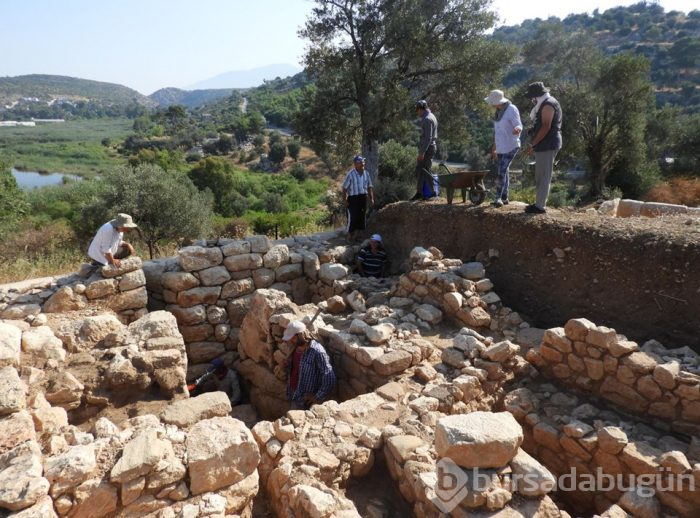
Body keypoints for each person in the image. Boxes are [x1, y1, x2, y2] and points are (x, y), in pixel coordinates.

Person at [524, 82, 562, 214]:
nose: (531, 99)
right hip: (545, 143)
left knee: (544, 175)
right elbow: (542, 125)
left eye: (532, 97)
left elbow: (546, 126)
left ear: (536, 96)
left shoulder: (548, 104)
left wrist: (533, 143)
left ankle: (540, 207)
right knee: (541, 174)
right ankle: (539, 203)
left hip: (548, 143)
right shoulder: (545, 103)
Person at [283, 320, 336, 410]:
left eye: (292, 338)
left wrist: (317, 397)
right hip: (293, 394)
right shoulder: (295, 348)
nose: (290, 341)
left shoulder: (317, 352)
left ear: (300, 336)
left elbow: (329, 378)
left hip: (304, 402)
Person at [485, 89, 522, 208]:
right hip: (501, 146)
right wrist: (494, 148)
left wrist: (517, 129)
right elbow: (498, 132)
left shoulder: (512, 109)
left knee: (501, 171)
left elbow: (518, 124)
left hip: (511, 145)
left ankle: (498, 198)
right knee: (504, 171)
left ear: (497, 101)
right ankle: (505, 197)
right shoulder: (498, 111)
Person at [410, 100, 439, 201]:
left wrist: (422, 152)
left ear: (421, 109)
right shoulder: (432, 116)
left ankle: (433, 192)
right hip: (429, 147)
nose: (417, 112)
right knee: (422, 170)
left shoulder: (427, 119)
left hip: (428, 148)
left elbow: (428, 138)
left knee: (426, 170)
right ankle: (419, 193)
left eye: (417, 110)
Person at [342, 155, 375, 243]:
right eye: (360, 162)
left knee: (361, 217)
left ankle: (356, 237)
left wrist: (371, 198)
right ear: (355, 164)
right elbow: (344, 188)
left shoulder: (366, 173)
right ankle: (348, 237)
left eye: (363, 162)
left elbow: (370, 186)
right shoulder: (350, 174)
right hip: (353, 198)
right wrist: (345, 200)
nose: (362, 164)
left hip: (363, 197)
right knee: (352, 217)